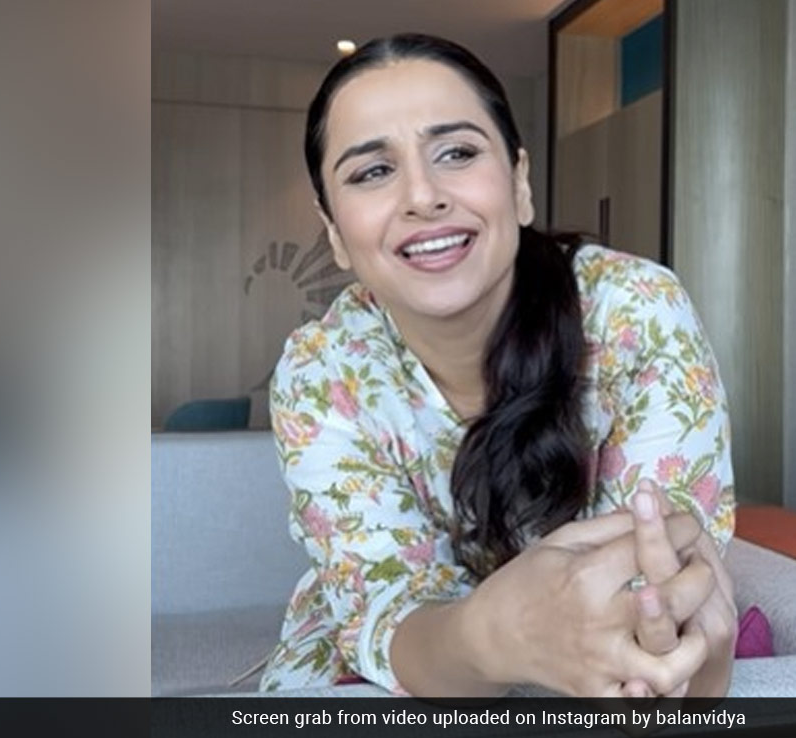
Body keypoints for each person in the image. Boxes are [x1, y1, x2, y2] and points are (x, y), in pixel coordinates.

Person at [258, 33, 736, 699]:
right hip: (406, 668)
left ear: (519, 182)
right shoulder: (322, 371)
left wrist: (674, 651)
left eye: (457, 153)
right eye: (372, 172)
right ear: (336, 231)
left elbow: (661, 602)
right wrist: (493, 636)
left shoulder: (635, 312)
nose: (423, 196)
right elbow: (387, 619)